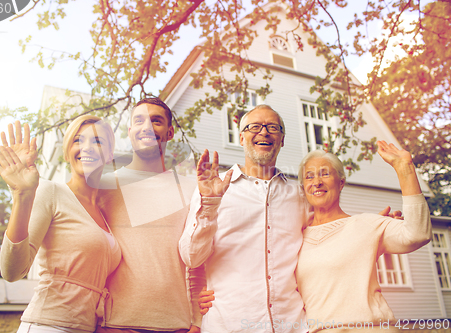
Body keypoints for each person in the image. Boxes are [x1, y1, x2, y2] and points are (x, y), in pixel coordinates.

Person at [179, 105, 311, 332]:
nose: (264, 132)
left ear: (282, 140)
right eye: (254, 127)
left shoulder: (299, 195)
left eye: (272, 127)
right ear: (241, 138)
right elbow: (191, 258)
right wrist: (209, 203)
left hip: (293, 326)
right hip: (230, 325)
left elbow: (325, 238)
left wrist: (366, 224)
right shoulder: (213, 188)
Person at [95, 98, 219, 333]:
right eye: (139, 120)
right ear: (130, 130)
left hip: (176, 326)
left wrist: (197, 322)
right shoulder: (105, 186)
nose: (147, 127)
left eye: (156, 121)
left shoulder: (191, 188)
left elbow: (196, 261)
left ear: (170, 132)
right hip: (114, 324)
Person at [0, 116, 121, 333]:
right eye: (78, 140)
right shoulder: (51, 192)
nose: (87, 147)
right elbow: (11, 271)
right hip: (47, 325)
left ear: (109, 155)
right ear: (67, 151)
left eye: (97, 141)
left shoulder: (107, 214)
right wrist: (23, 195)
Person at [294, 141, 431, 332]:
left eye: (325, 173)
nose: (317, 181)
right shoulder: (295, 240)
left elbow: (418, 234)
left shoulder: (367, 224)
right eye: (309, 176)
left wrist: (404, 168)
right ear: (303, 188)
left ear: (341, 183)